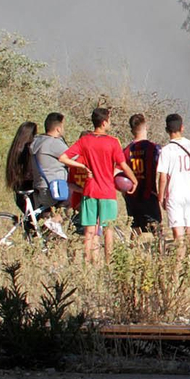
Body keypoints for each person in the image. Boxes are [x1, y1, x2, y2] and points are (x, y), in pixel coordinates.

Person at [59, 107, 137, 263]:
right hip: (107, 192)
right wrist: (134, 180)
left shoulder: (85, 140)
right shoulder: (113, 142)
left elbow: (63, 158)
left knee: (89, 230)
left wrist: (81, 167)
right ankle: (108, 262)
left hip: (90, 191)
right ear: (104, 122)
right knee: (108, 229)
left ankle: (87, 264)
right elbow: (123, 165)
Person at [156, 113, 190, 265]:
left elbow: (163, 177)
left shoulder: (166, 150)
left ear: (166, 130)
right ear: (182, 128)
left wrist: (160, 197)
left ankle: (178, 266)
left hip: (174, 194)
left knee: (179, 234)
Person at [28, 112, 73, 232]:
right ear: (58, 128)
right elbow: (73, 158)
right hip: (52, 188)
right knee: (72, 199)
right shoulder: (54, 143)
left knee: (46, 218)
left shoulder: (37, 141)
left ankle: (45, 244)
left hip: (40, 185)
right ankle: (54, 225)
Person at [123, 113, 162, 233]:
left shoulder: (126, 150)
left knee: (135, 228)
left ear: (131, 130)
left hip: (132, 194)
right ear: (146, 126)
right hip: (148, 193)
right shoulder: (154, 148)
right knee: (156, 227)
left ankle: (132, 250)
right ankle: (161, 251)